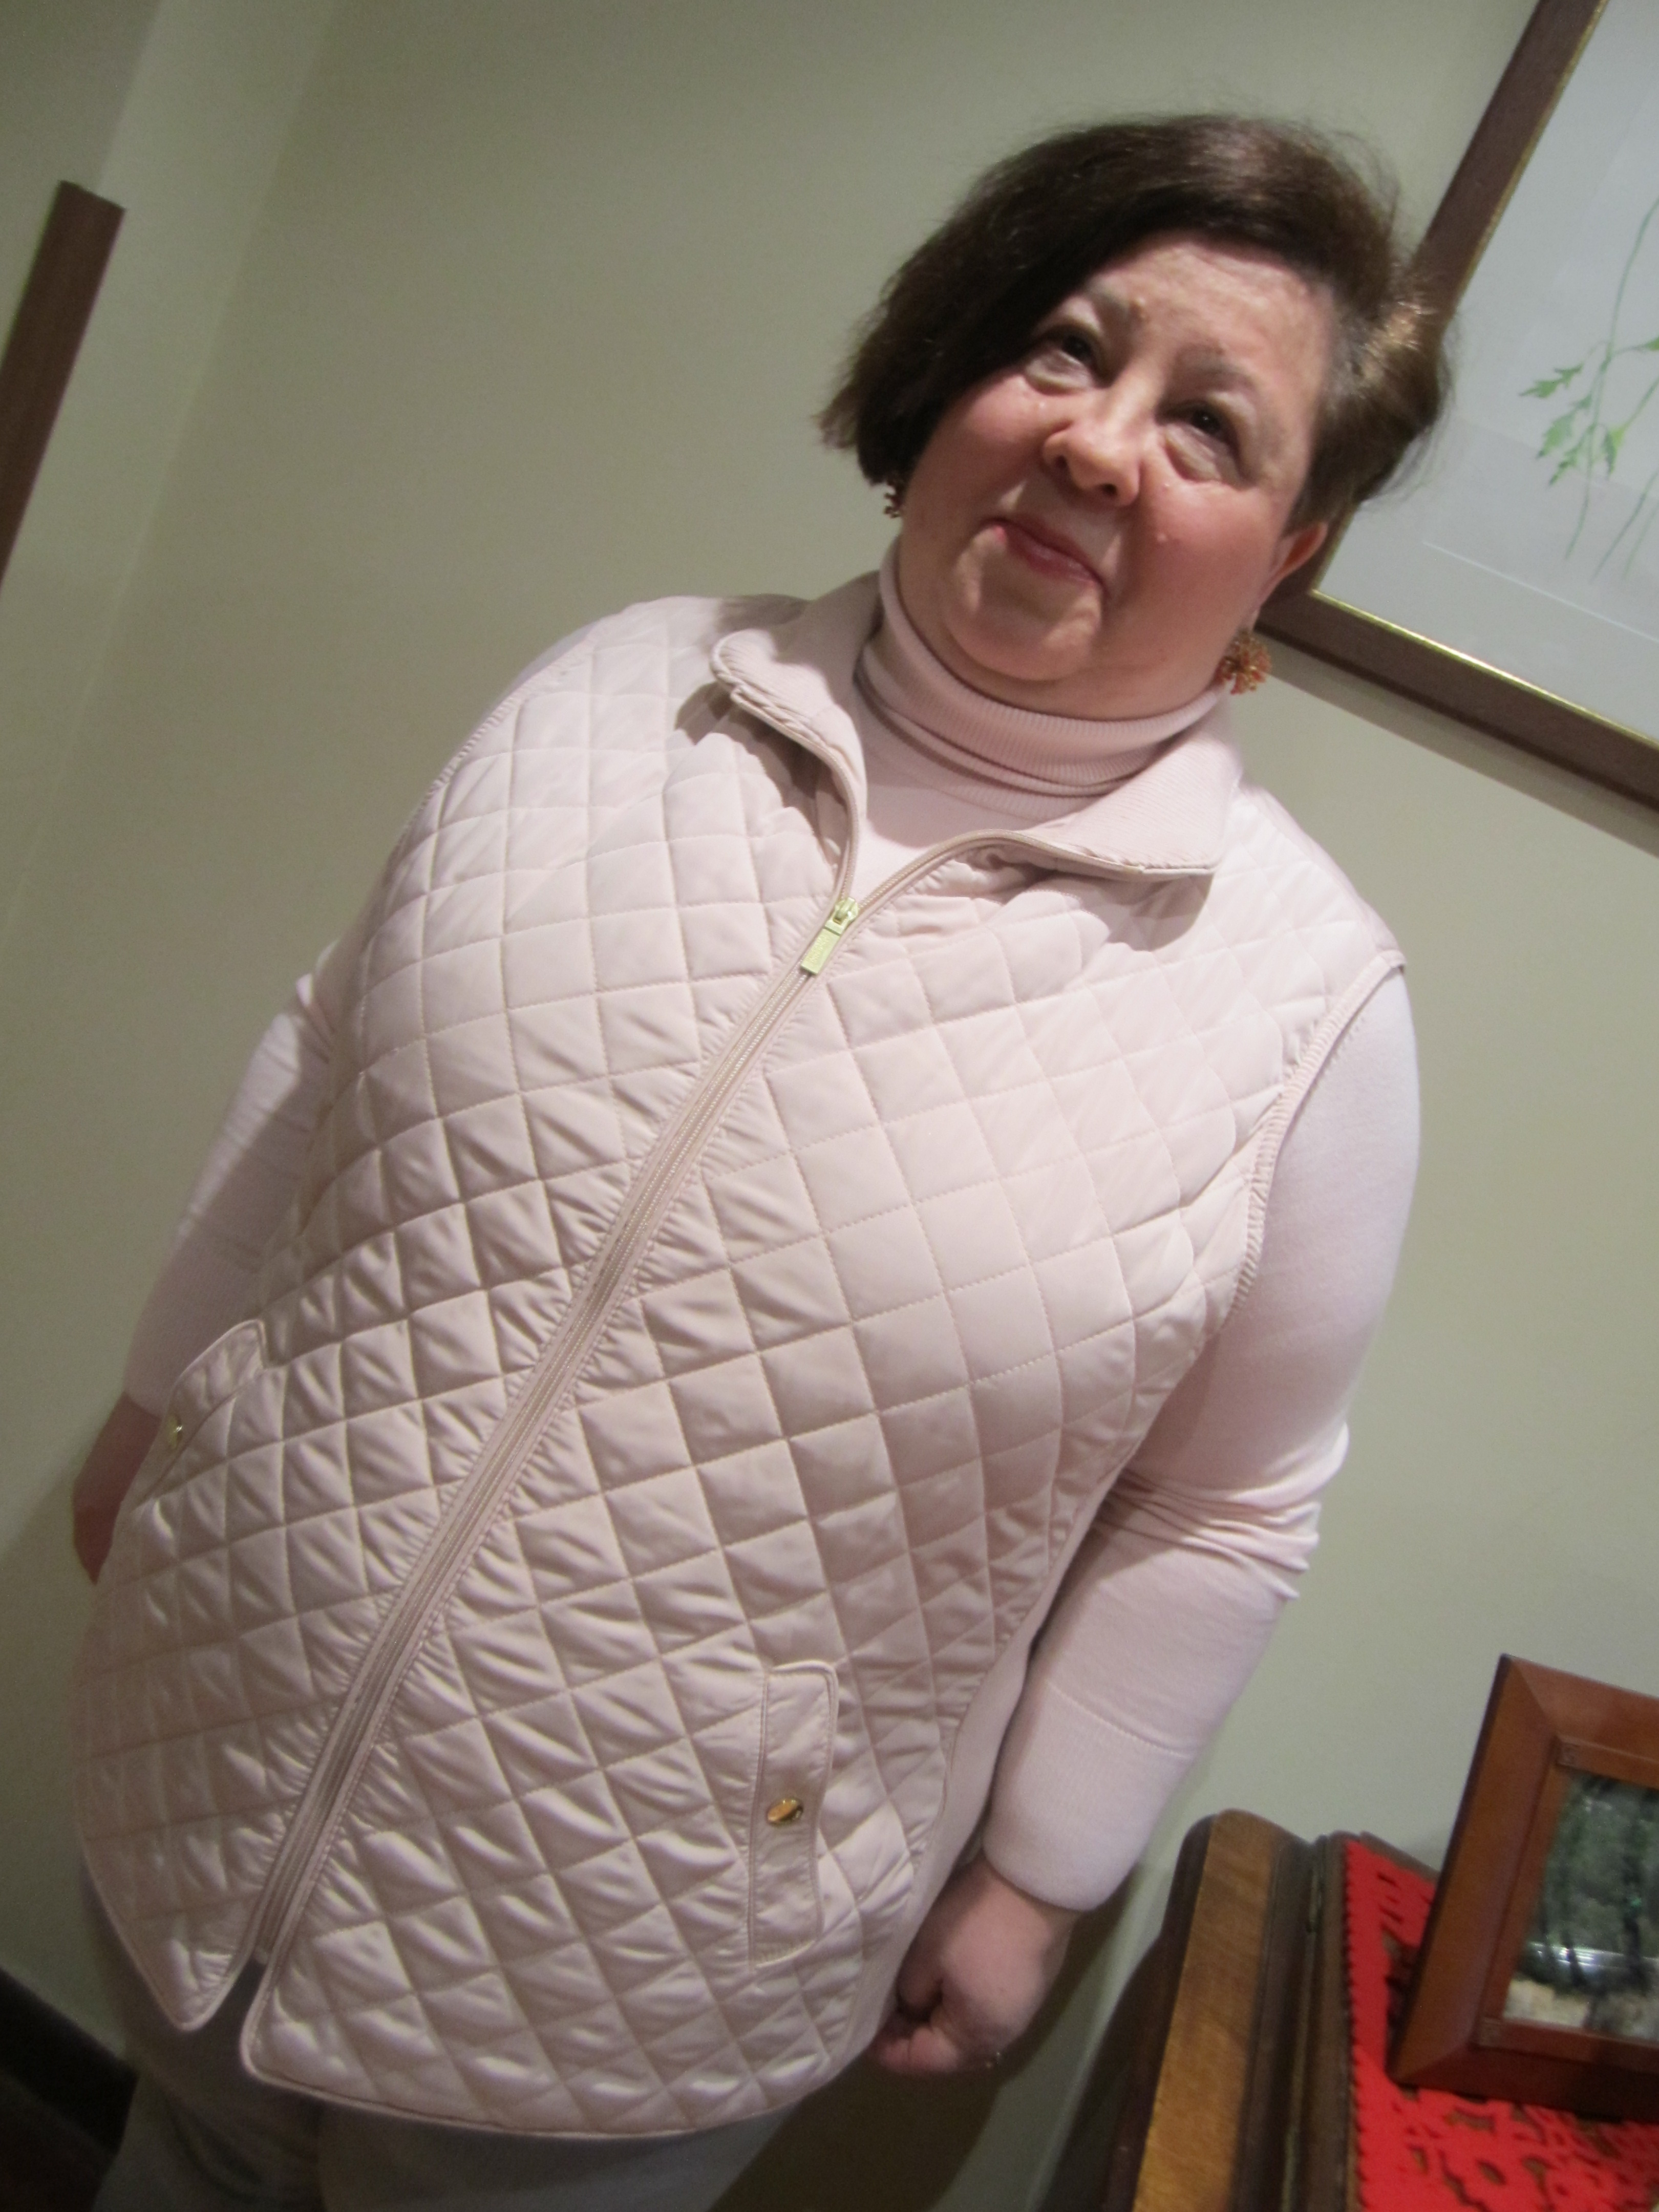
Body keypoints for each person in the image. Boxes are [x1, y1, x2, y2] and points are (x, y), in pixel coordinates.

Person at [71, 114, 1444, 2210]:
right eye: (1066, 350)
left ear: (1293, 547)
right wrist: (155, 1401)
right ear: (954, 374)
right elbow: (332, 1044)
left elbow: (1229, 1498)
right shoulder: (611, 692)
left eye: (1210, 427)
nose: (1098, 445)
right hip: (214, 1743)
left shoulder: (1304, 1004)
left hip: (643, 1967)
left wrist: (1044, 1875)